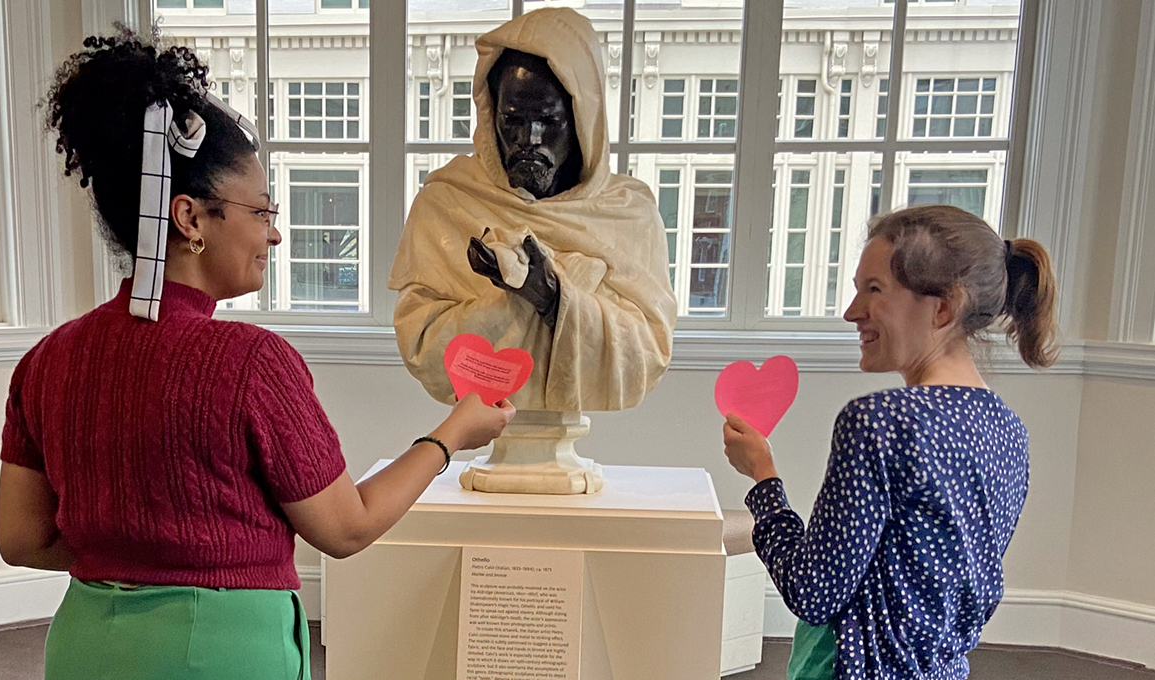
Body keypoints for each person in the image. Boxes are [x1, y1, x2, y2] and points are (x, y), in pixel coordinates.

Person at [0, 28, 514, 680]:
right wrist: (451, 434)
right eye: (262, 210)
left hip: (85, 648)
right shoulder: (248, 362)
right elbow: (345, 529)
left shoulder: (48, 361)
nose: (274, 231)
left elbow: (22, 539)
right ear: (189, 219)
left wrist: (130, 544)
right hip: (219, 652)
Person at [721, 205, 1059, 680]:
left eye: (873, 290)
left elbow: (812, 592)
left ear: (944, 306)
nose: (851, 312)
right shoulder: (1008, 431)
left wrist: (763, 478)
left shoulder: (879, 423)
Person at [389, 7, 676, 413]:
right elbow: (421, 344)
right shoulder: (447, 202)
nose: (529, 139)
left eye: (548, 120)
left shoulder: (628, 213)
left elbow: (648, 353)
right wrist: (508, 301)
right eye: (513, 120)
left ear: (582, 119)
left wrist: (555, 299)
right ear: (491, 115)